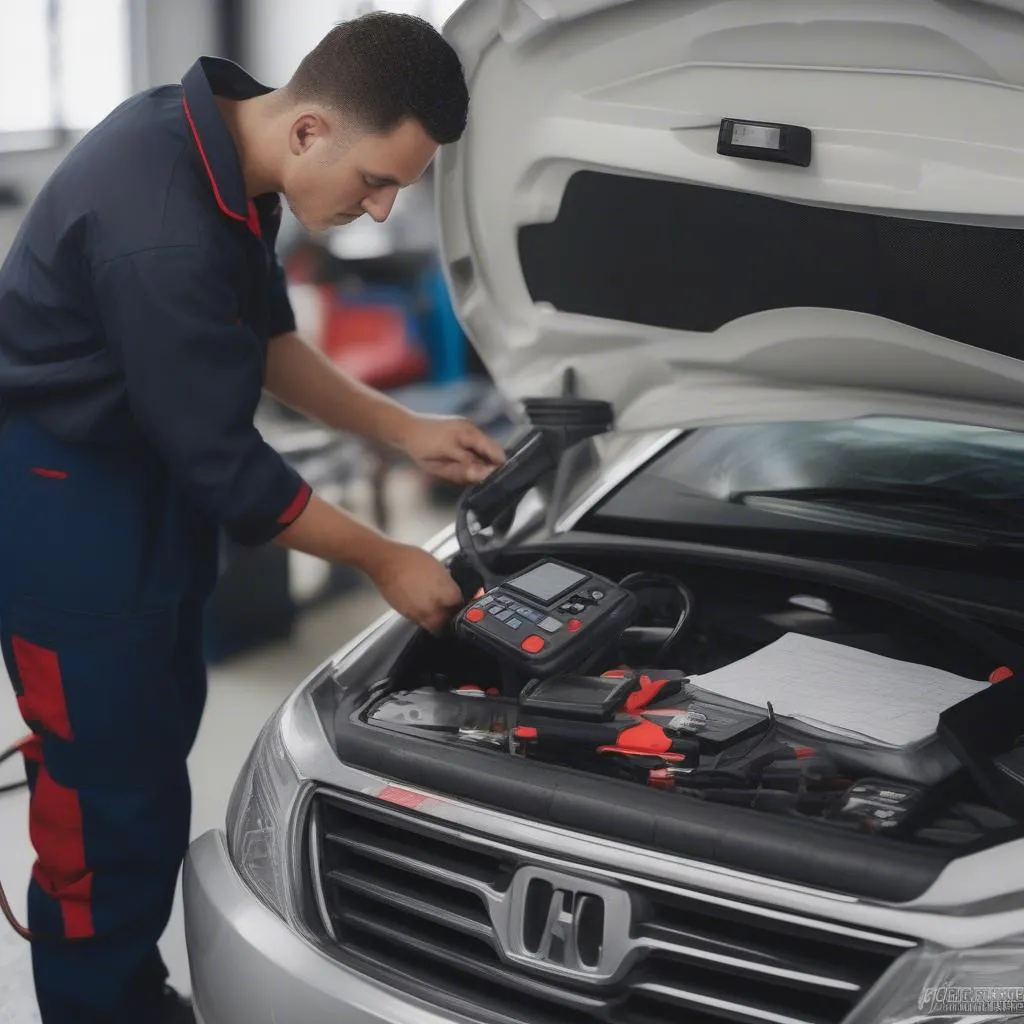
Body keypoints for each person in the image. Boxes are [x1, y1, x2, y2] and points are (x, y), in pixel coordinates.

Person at [0, 12, 503, 1024]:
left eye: (398, 187)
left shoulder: (229, 150)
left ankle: (129, 991)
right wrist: (383, 558)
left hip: (135, 483)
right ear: (312, 127)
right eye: (375, 181)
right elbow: (231, 472)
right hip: (67, 509)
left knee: (143, 761)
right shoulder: (164, 227)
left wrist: (400, 428)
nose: (378, 208)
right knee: (107, 810)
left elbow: (263, 337)